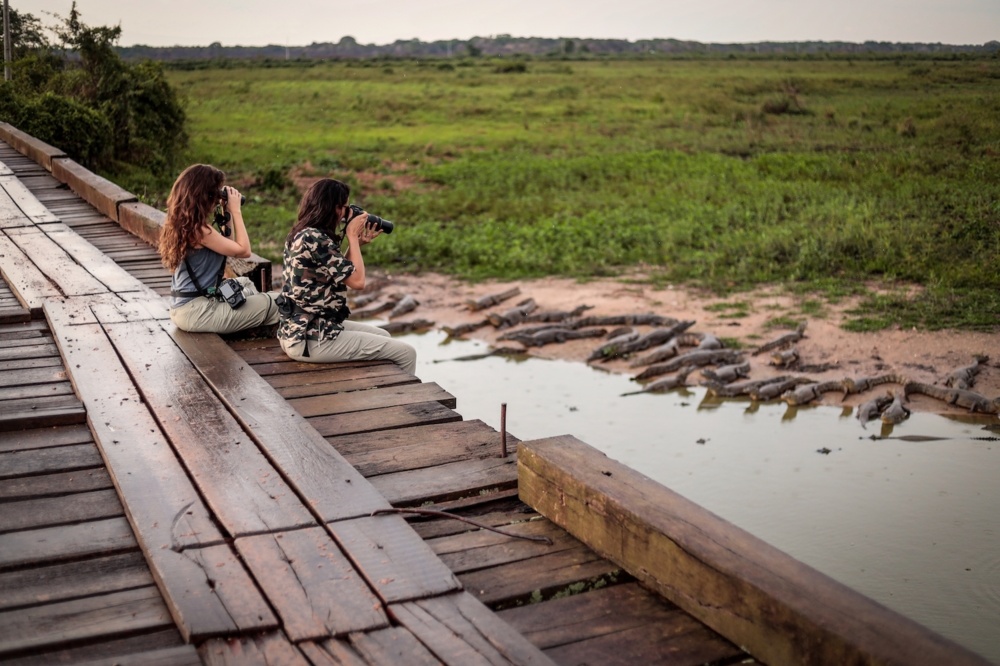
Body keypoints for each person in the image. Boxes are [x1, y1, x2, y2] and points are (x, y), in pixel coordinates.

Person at [276, 178, 416, 374]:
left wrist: (355, 244)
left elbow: (339, 274)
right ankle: (406, 402)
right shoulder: (315, 238)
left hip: (301, 331)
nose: (345, 212)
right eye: (343, 206)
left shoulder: (303, 233)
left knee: (383, 334)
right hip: (311, 339)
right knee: (406, 353)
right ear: (331, 207)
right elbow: (358, 282)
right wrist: (351, 234)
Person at [159, 164, 278, 334]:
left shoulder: (183, 224)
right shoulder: (200, 231)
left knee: (244, 283)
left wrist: (225, 211)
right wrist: (236, 211)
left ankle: (248, 315)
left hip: (186, 308)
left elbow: (225, 248)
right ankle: (255, 319)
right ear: (204, 196)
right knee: (276, 300)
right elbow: (244, 251)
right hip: (198, 312)